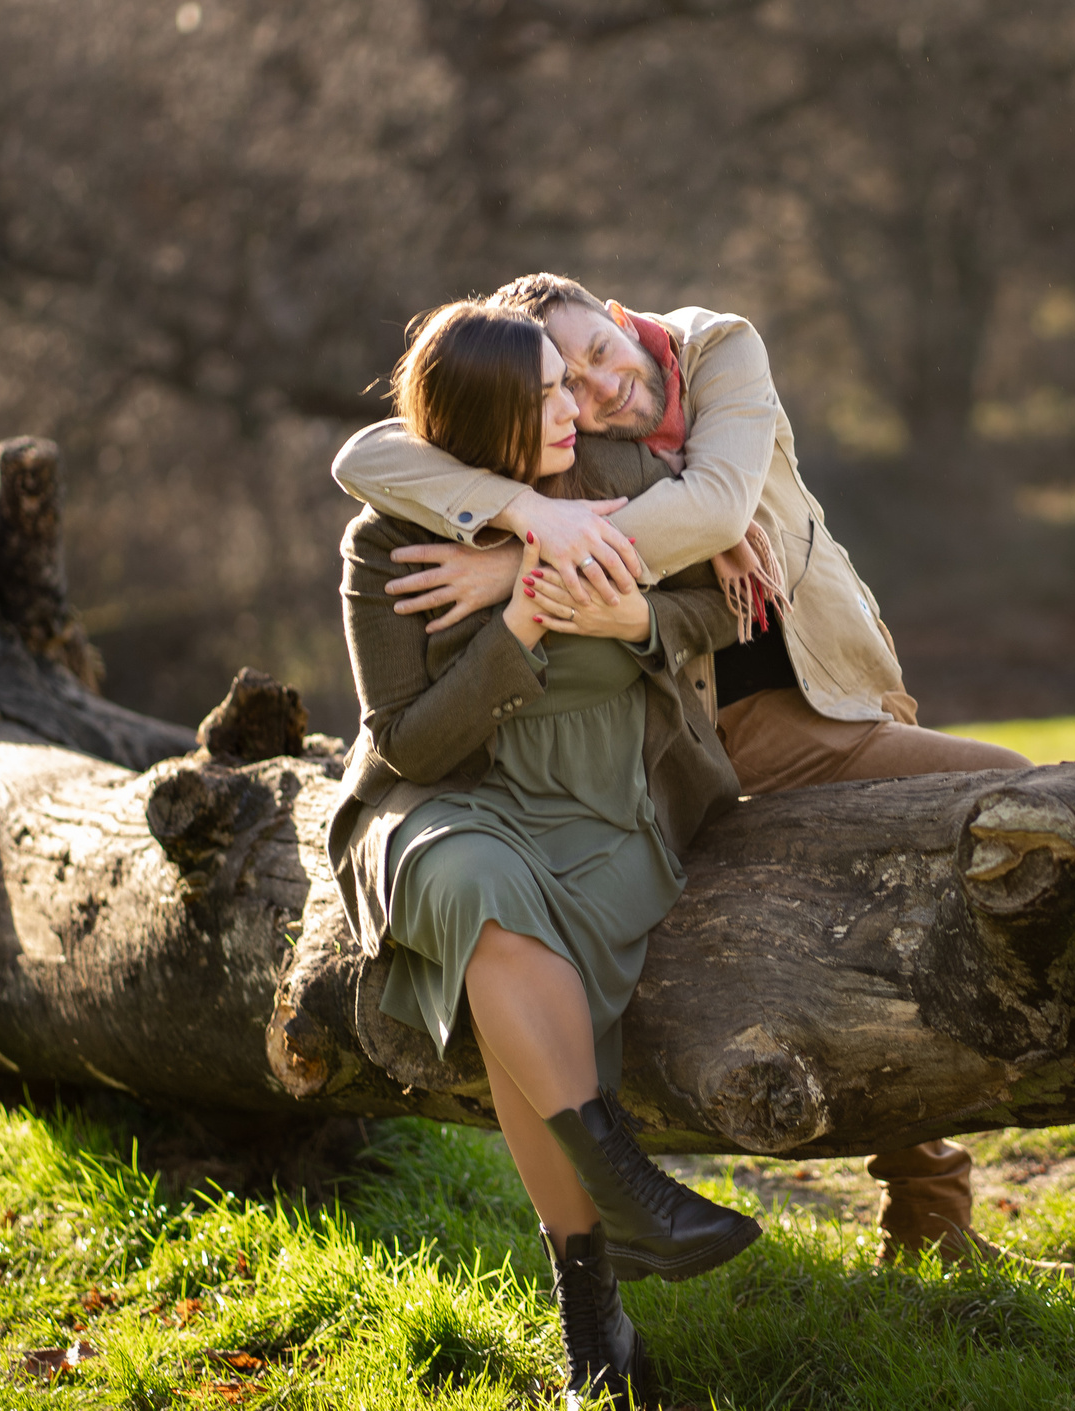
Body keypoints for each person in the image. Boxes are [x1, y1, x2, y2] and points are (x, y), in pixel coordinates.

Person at [335, 273, 1075, 1265]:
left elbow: (716, 511)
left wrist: (521, 561)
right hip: (682, 746)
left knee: (1014, 809)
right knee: (901, 911)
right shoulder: (570, 453)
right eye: (564, 391)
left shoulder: (712, 354)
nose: (594, 395)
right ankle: (935, 1212)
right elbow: (369, 452)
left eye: (595, 359)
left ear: (619, 317)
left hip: (817, 704)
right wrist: (532, 523)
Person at [329, 301, 759, 1407]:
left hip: (607, 803)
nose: (577, 403)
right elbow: (413, 739)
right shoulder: (385, 542)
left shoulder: (611, 470)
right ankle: (625, 1193)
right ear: (480, 427)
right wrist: (520, 620)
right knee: (476, 891)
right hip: (449, 799)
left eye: (570, 385)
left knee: (505, 953)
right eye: (543, 398)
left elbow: (723, 604)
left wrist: (628, 622)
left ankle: (594, 1323)